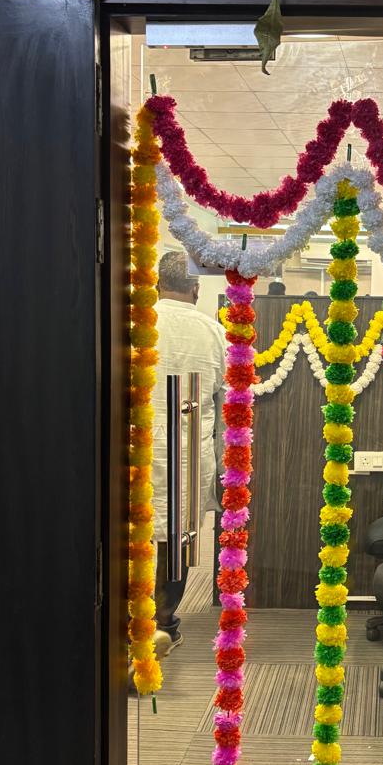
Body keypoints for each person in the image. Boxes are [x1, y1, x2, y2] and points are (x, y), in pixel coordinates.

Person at [148, 252, 226, 659]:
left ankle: (127, 619)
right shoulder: (215, 333)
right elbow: (228, 406)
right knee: (178, 543)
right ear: (196, 289)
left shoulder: (136, 324)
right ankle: (164, 623)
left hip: (137, 445)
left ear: (156, 283)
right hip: (190, 450)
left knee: (131, 534)